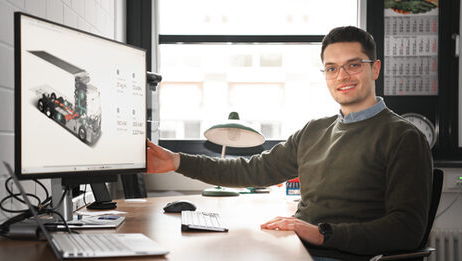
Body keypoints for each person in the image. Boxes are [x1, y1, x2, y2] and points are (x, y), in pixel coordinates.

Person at [146, 26, 432, 261]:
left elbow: (407, 230)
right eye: (331, 68)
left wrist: (322, 234)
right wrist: (177, 162)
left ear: (375, 69)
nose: (342, 76)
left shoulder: (404, 137)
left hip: (344, 256)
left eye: (353, 65)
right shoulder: (314, 130)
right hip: (300, 248)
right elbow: (253, 171)